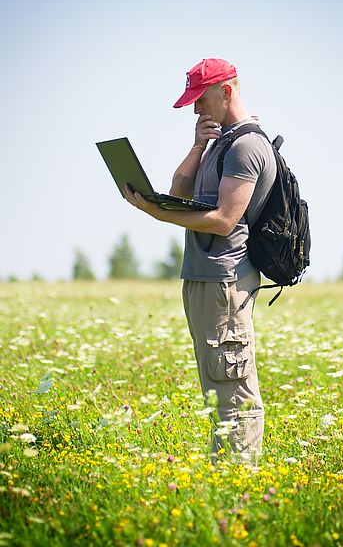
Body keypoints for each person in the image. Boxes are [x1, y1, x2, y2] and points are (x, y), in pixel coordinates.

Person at [124, 58, 276, 464]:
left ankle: (238, 485)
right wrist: (197, 146)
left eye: (200, 100)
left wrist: (157, 214)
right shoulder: (221, 143)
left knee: (234, 389)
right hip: (203, 277)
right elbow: (179, 190)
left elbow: (225, 221)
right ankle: (223, 476)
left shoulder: (246, 146)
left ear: (226, 91)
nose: (195, 110)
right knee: (217, 384)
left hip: (226, 281)